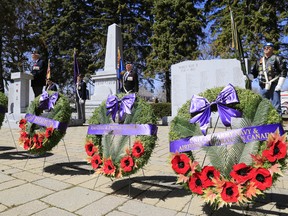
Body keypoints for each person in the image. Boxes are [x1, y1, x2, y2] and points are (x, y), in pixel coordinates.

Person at [251, 42, 287, 114]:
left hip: (274, 85)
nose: (266, 49)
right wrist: (249, 76)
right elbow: (254, 73)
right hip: (262, 86)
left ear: (272, 49)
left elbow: (283, 71)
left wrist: (279, 85)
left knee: (276, 106)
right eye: (265, 48)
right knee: (263, 105)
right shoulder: (259, 61)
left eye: (268, 47)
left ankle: (277, 124)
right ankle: (264, 123)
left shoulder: (277, 58)